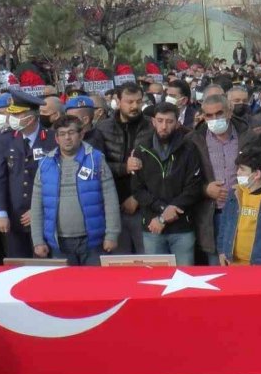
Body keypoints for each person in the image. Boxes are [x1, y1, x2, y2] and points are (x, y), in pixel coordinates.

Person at [31, 116, 121, 266]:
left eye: (71, 132)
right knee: (65, 289)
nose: (67, 137)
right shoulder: (45, 164)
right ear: (57, 138)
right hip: (58, 244)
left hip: (93, 242)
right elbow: (36, 205)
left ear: (81, 135)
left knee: (94, 287)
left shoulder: (96, 160)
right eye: (62, 133)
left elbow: (110, 199)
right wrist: (38, 240)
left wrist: (112, 235)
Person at [132, 102, 204, 266]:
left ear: (178, 122)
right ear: (153, 121)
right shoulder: (141, 149)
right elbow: (137, 188)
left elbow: (194, 186)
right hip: (152, 225)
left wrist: (171, 210)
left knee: (185, 279)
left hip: (182, 227)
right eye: (160, 120)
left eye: (169, 121)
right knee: (156, 280)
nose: (164, 126)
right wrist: (162, 212)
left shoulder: (189, 148)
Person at [190, 94, 257, 265]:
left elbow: (260, 170)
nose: (214, 119)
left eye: (219, 113)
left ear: (229, 112)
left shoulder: (248, 137)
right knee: (216, 267)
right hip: (213, 215)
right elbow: (186, 179)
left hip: (244, 212)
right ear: (203, 117)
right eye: (209, 115)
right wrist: (205, 189)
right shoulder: (194, 141)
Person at [0, 90, 58, 259]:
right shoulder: (6, 139)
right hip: (15, 217)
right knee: (18, 264)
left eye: (18, 114)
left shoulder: (51, 139)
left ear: (32, 116)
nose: (12, 118)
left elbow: (56, 180)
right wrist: (1, 212)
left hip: (45, 217)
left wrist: (38, 209)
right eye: (12, 114)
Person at [95, 83, 153, 255]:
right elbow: (98, 166)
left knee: (148, 262)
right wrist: (123, 168)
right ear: (118, 102)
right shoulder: (103, 128)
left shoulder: (152, 127)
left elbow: (158, 169)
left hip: (144, 206)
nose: (135, 106)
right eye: (129, 102)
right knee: (120, 264)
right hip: (113, 206)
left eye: (138, 101)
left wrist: (137, 197)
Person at [217, 148, 261, 266]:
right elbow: (224, 225)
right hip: (232, 263)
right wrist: (222, 251)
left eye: (242, 169)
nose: (238, 173)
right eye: (238, 168)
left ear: (257, 174)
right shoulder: (234, 195)